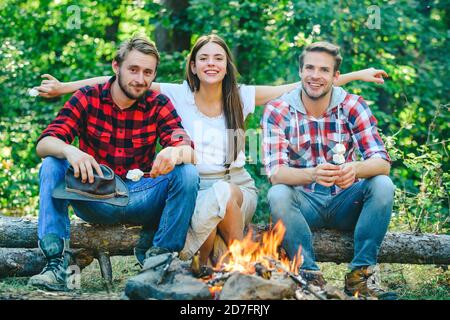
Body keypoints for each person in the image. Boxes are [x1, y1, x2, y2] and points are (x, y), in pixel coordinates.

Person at [35, 34, 388, 267]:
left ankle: (241, 262)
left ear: (225, 64)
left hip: (234, 185)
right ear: (193, 65)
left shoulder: (242, 96)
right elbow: (116, 82)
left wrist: (355, 75)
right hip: (191, 187)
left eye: (218, 58)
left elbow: (307, 82)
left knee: (221, 193)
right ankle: (221, 265)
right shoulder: (174, 94)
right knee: (201, 202)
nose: (211, 63)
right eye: (204, 57)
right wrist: (64, 87)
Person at [28, 35, 199, 291]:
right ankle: (57, 265)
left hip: (142, 196)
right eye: (133, 69)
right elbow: (44, 144)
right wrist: (70, 151)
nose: (140, 79)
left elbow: (187, 148)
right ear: (116, 66)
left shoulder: (158, 103)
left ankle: (159, 264)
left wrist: (175, 153)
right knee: (53, 162)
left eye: (147, 72)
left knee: (187, 172)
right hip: (95, 196)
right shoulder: (88, 98)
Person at [262, 41, 396, 299]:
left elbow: (382, 162)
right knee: (278, 193)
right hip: (304, 204)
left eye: (324, 70)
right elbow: (276, 173)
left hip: (346, 201)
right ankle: (309, 278)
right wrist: (313, 173)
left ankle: (361, 277)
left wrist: (356, 168)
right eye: (309, 68)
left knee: (382, 185)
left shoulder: (353, 106)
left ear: (336, 76)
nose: (315, 75)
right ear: (300, 71)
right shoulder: (278, 110)